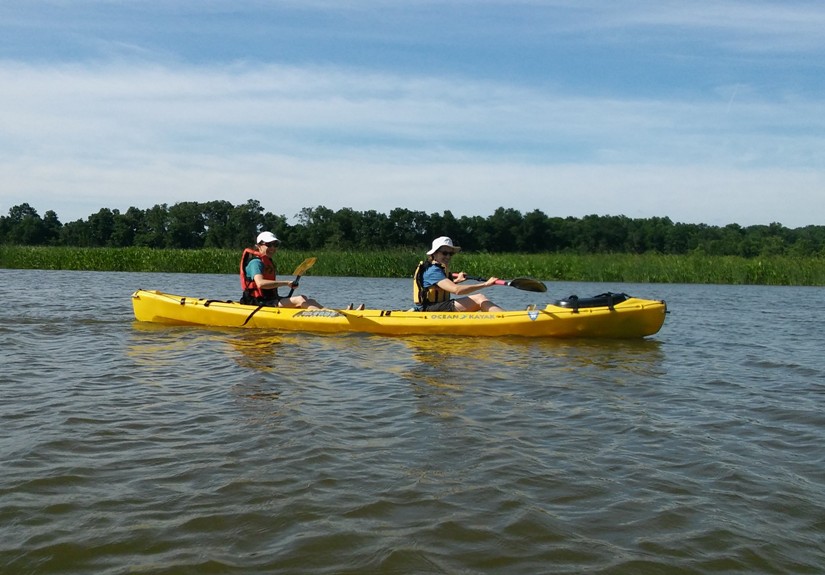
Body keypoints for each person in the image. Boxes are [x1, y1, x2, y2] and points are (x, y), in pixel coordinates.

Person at [413, 236, 504, 312]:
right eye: (444, 253)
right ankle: (504, 319)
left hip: (436, 307)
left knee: (480, 299)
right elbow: (457, 290)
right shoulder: (433, 271)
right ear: (434, 254)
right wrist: (485, 284)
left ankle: (503, 317)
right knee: (479, 298)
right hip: (428, 310)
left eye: (450, 253)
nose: (448, 256)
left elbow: (439, 287)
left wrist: (457, 281)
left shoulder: (437, 268)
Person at [240, 231, 323, 309]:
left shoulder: (267, 262)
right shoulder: (256, 263)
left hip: (269, 300)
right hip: (257, 302)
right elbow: (260, 283)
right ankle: (324, 318)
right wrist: (286, 283)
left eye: (275, 244)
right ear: (258, 246)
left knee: (308, 299)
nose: (272, 248)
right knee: (300, 299)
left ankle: (329, 313)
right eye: (268, 244)